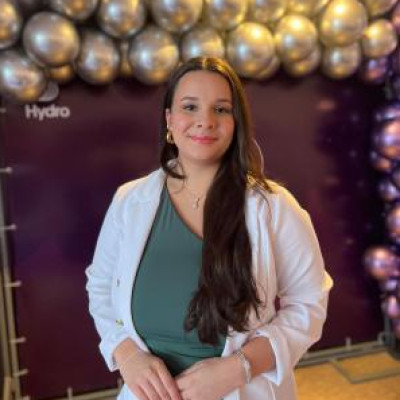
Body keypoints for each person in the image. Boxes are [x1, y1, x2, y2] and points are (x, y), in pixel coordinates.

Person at [86, 56, 333, 400]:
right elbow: (100, 286)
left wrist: (240, 367)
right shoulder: (130, 201)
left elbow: (309, 303)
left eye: (221, 109)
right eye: (190, 107)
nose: (205, 121)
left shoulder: (274, 207)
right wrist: (126, 355)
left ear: (236, 122)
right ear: (169, 119)